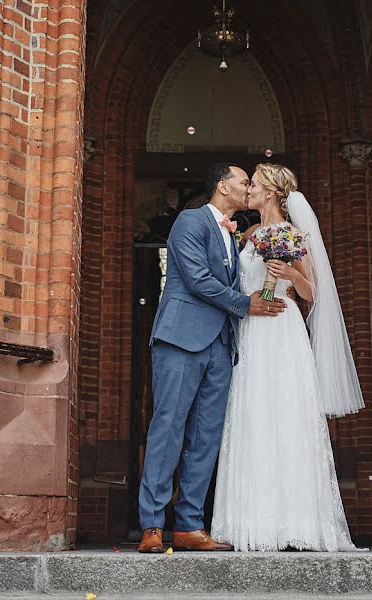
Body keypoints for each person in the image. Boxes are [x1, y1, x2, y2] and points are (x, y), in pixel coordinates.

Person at [211, 163, 365, 551]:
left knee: (285, 415)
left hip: (281, 328)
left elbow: (313, 292)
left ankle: (295, 523)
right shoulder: (246, 233)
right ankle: (249, 522)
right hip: (250, 328)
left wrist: (290, 276)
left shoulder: (293, 234)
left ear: (272, 193)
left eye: (255, 185)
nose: (249, 190)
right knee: (251, 416)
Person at [136, 163, 287, 553]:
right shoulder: (191, 220)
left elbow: (231, 279)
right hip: (181, 339)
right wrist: (244, 304)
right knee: (168, 428)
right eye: (243, 182)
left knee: (205, 438)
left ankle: (188, 524)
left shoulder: (233, 236)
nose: (248, 187)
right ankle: (152, 524)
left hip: (221, 346)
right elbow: (197, 278)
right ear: (223, 186)